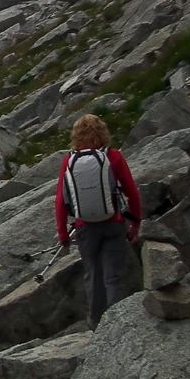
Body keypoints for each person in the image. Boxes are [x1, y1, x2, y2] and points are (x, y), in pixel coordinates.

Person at [55, 114, 142, 329]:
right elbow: (131, 192)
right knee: (113, 276)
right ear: (102, 132)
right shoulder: (113, 156)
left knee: (92, 275)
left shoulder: (70, 160)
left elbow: (60, 200)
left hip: (85, 227)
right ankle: (117, 324)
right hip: (113, 223)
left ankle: (96, 323)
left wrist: (63, 233)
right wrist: (135, 224)